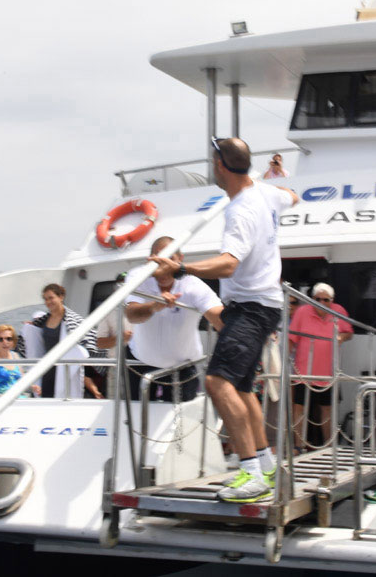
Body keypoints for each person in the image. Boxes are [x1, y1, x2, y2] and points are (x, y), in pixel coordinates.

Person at [150, 137, 298, 504]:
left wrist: (181, 268)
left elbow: (229, 263)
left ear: (219, 165)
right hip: (258, 305)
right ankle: (265, 464)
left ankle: (250, 473)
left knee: (218, 382)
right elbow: (291, 196)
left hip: (251, 307)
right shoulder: (266, 193)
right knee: (242, 388)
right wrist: (279, 180)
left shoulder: (241, 210)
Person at [126, 236, 223, 402]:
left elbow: (218, 317)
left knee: (182, 425)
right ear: (150, 260)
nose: (164, 267)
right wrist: (153, 306)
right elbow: (132, 315)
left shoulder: (193, 286)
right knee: (136, 420)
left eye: (170, 260)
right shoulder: (138, 276)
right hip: (140, 363)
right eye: (158, 260)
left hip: (182, 368)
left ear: (181, 260)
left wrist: (244, 331)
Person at [288, 283, 353, 450]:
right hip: (303, 373)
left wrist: (342, 337)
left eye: (326, 300)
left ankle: (329, 446)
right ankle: (299, 446)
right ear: (312, 299)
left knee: (327, 410)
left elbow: (349, 332)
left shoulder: (339, 311)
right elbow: (291, 339)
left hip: (328, 372)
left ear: (332, 300)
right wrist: (284, 363)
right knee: (299, 409)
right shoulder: (302, 312)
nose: (321, 303)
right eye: (317, 299)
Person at [21, 284, 104, 399]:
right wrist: (31, 327)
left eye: (51, 298)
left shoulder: (72, 320)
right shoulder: (44, 320)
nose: (48, 302)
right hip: (48, 369)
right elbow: (35, 338)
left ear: (61, 297)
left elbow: (90, 337)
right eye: (45, 299)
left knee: (65, 399)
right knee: (46, 401)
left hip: (66, 368)